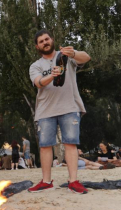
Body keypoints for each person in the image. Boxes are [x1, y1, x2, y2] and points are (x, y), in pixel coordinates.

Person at [28, 29, 91, 194]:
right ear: (37, 46)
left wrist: (74, 52)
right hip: (45, 110)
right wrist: (52, 76)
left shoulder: (66, 57)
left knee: (70, 143)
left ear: (52, 40)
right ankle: (46, 182)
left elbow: (86, 57)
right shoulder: (35, 65)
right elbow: (38, 82)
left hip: (69, 107)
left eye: (47, 39)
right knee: (45, 146)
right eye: (41, 41)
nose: (45, 42)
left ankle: (73, 181)